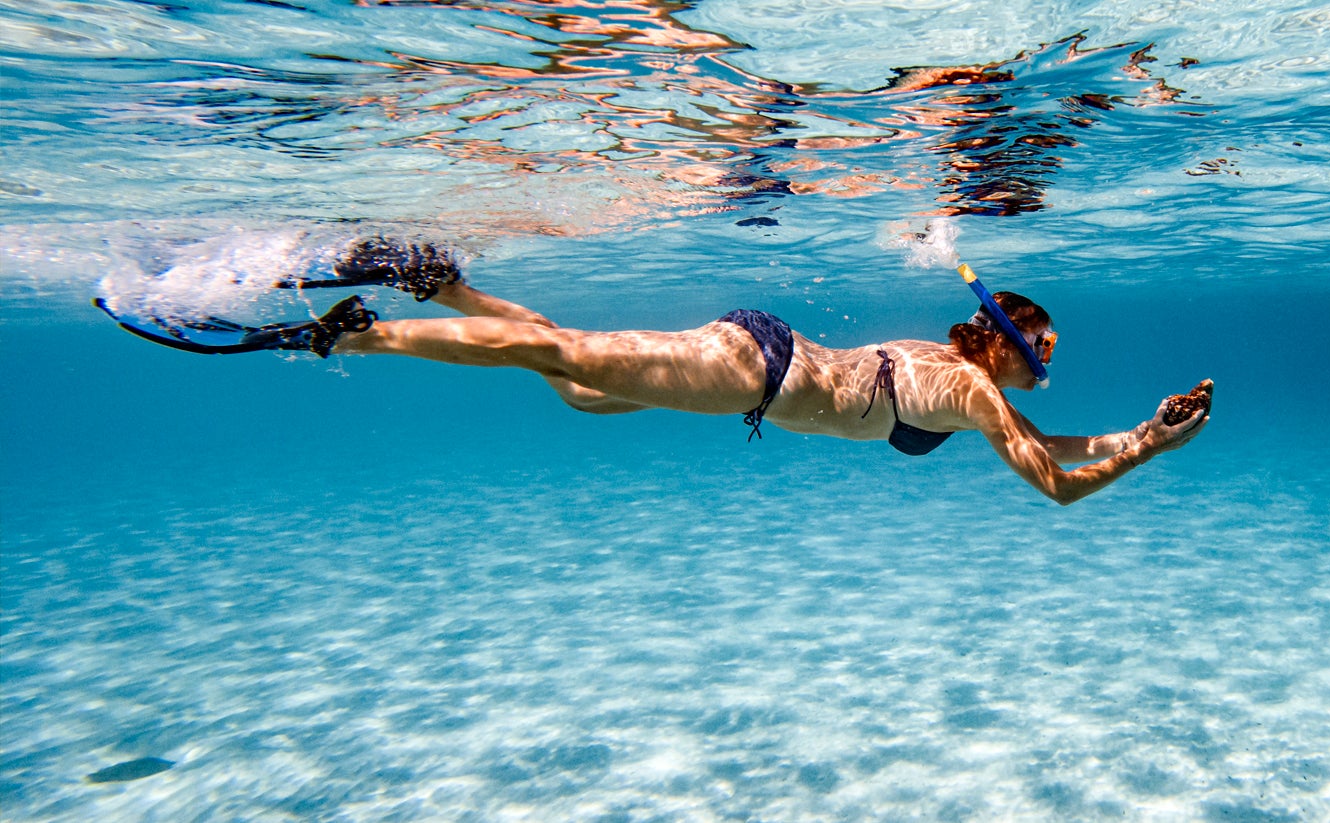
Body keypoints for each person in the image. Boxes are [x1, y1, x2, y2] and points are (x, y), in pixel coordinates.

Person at [96, 239, 1210, 505]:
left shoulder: (963, 383)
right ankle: (345, 332)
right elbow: (1054, 483)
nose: (1039, 377)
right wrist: (1152, 448)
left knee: (579, 386)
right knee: (566, 355)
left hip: (755, 358)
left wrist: (1136, 431)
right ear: (1004, 349)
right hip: (754, 373)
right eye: (1040, 356)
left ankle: (438, 284)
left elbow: (1049, 446)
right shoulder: (970, 393)